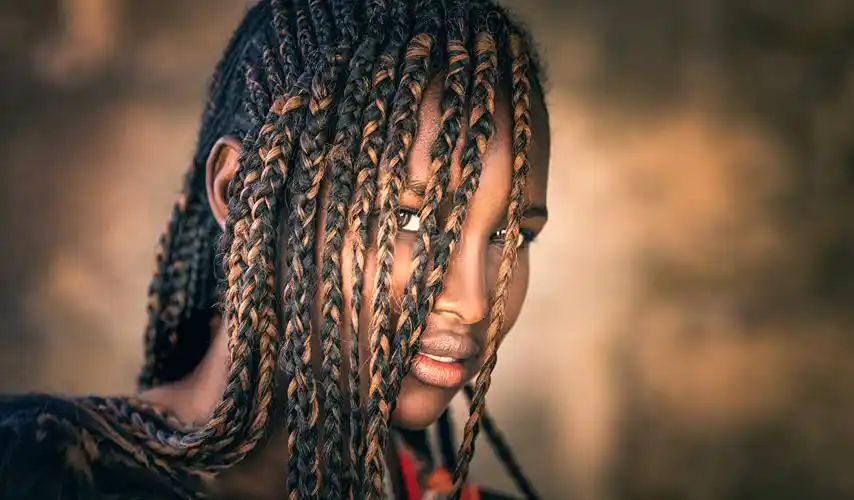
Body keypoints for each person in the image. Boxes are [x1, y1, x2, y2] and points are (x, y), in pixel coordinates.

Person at [0, 0, 551, 498]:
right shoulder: (41, 470)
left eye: (511, 236)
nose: (475, 302)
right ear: (242, 189)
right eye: (411, 218)